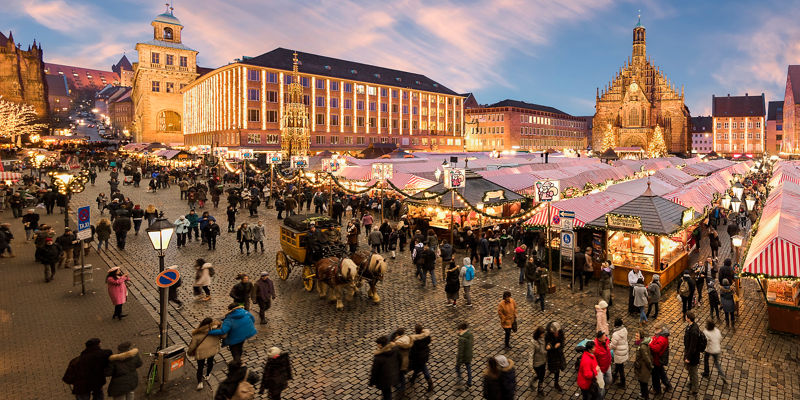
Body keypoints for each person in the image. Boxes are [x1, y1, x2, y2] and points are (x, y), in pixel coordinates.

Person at [187, 317, 222, 390]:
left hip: (201, 352)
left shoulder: (197, 333)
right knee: (210, 362)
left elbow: (192, 346)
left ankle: (200, 382)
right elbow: (223, 335)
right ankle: (208, 374)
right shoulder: (215, 330)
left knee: (200, 367)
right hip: (212, 350)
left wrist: (189, 352)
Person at [370, 335, 399, 400]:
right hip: (392, 375)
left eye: (377, 344)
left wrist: (372, 382)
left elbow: (374, 371)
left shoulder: (378, 358)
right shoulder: (394, 349)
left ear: (380, 345)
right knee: (387, 391)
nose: (377, 345)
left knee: (386, 393)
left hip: (383, 379)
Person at [683, 311, 704, 396]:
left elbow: (693, 346)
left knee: (693, 371)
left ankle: (695, 389)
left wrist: (688, 357)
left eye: (686, 316)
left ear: (688, 318)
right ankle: (691, 382)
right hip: (688, 351)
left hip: (693, 355)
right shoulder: (690, 326)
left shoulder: (694, 331)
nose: (685, 317)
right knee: (689, 369)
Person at [648, 324, 673, 395]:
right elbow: (655, 339)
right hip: (658, 359)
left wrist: (650, 344)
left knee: (655, 376)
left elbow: (656, 349)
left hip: (657, 360)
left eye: (656, 329)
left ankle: (657, 390)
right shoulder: (660, 335)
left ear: (661, 329)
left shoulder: (662, 338)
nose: (655, 331)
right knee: (662, 373)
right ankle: (668, 386)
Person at [408, 324, 433, 392]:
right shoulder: (427, 336)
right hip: (425, 354)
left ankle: (429, 382)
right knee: (417, 367)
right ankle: (412, 379)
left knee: (424, 368)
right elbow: (429, 341)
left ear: (415, 331)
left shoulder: (415, 340)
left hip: (419, 357)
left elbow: (413, 351)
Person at [544, 321, 565, 393]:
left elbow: (562, 341)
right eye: (555, 333)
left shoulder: (560, 332)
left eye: (557, 332)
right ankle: (550, 371)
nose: (557, 334)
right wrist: (550, 346)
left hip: (558, 354)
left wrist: (560, 344)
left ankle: (556, 383)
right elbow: (546, 346)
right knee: (552, 368)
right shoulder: (548, 335)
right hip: (551, 355)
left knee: (557, 369)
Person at [632, 330, 653, 400]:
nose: (636, 337)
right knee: (642, 382)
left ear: (641, 336)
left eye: (637, 336)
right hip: (641, 366)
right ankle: (643, 393)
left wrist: (651, 367)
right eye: (635, 335)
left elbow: (647, 358)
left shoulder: (642, 347)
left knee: (643, 383)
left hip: (643, 368)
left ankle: (645, 396)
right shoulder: (640, 344)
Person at [609, 318, 629, 388]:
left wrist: (608, 345)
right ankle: (614, 376)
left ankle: (623, 383)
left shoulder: (615, 334)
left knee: (621, 368)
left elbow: (613, 346)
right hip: (624, 351)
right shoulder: (624, 330)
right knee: (618, 365)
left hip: (619, 353)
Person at [528, 326, 547, 395]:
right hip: (537, 363)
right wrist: (530, 366)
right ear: (539, 334)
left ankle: (540, 389)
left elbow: (546, 348)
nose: (543, 335)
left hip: (543, 361)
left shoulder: (544, 339)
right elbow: (531, 354)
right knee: (539, 376)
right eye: (542, 334)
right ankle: (533, 381)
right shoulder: (533, 342)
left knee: (542, 376)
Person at [456, 322, 474, 388]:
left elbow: (461, 352)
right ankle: (469, 382)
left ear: (461, 329)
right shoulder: (470, 334)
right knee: (468, 368)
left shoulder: (461, 339)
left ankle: (459, 381)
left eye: (458, 330)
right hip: (469, 355)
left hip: (464, 356)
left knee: (457, 368)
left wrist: (459, 361)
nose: (457, 331)